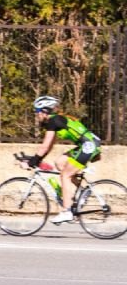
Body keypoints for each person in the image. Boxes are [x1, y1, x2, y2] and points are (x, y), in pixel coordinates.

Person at [24, 96, 101, 224]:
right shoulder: (56, 121)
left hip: (88, 146)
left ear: (44, 111)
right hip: (89, 144)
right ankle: (82, 192)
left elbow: (45, 146)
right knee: (60, 162)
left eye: (37, 112)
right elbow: (49, 146)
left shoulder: (53, 121)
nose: (36, 115)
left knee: (65, 175)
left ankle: (66, 212)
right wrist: (37, 159)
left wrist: (32, 161)